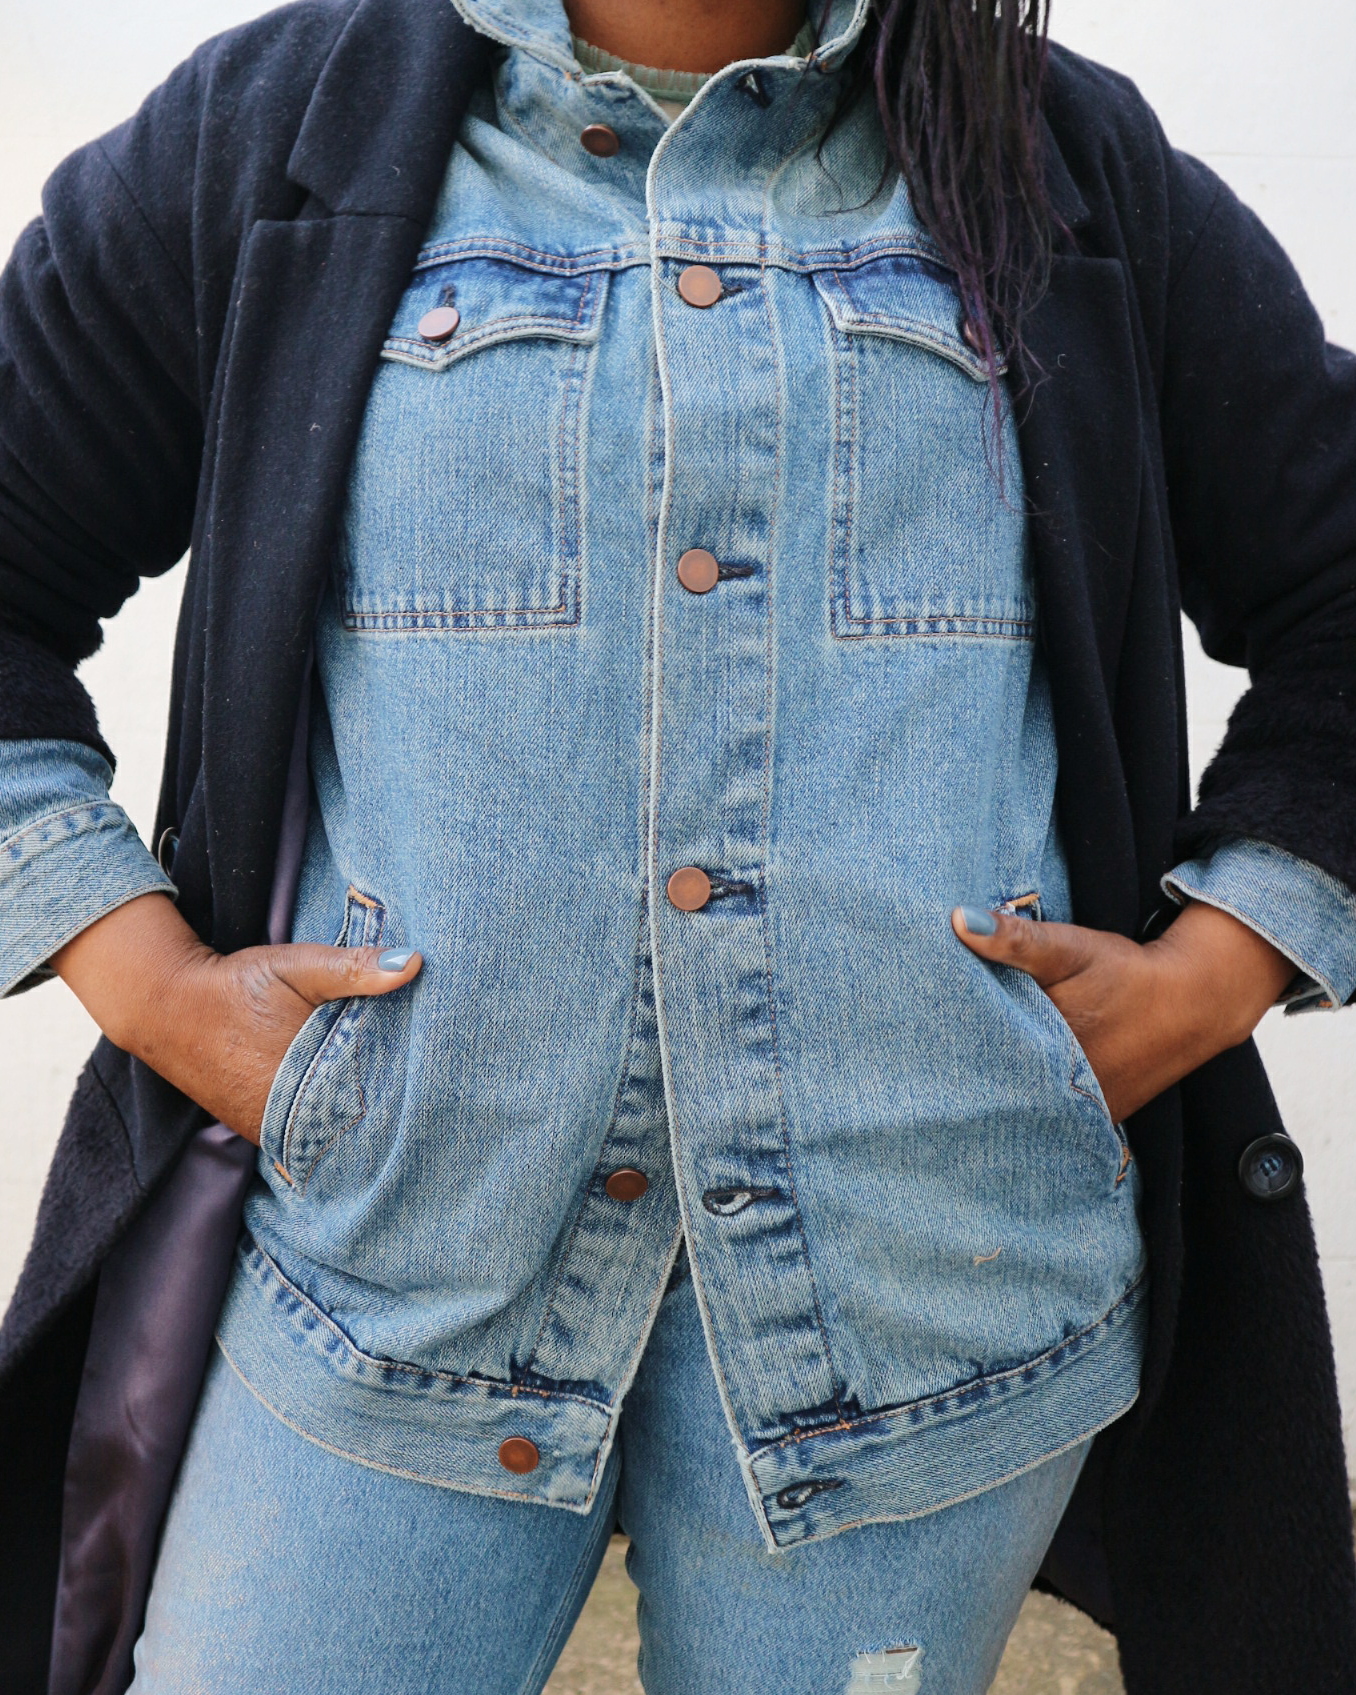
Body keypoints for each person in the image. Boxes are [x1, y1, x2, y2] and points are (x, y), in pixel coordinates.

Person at [1, 0, 1354, 1690]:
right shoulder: (275, 137)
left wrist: (1212, 974)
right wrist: (149, 986)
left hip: (929, 1317)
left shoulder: (1069, 169)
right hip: (389, 1297)